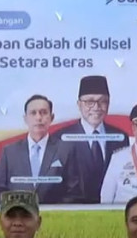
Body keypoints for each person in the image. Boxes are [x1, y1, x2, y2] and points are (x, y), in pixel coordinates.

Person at [51, 75, 129, 204]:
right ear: (79, 104)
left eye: (102, 101)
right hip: (73, 210)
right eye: (89, 102)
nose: (96, 107)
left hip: (110, 209)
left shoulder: (120, 137)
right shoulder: (60, 138)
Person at [0, 95, 72, 204]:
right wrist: (16, 205)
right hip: (18, 212)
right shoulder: (10, 152)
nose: (38, 118)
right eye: (33, 113)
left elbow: (73, 191)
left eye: (43, 112)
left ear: (51, 117)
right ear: (25, 119)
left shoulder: (66, 149)